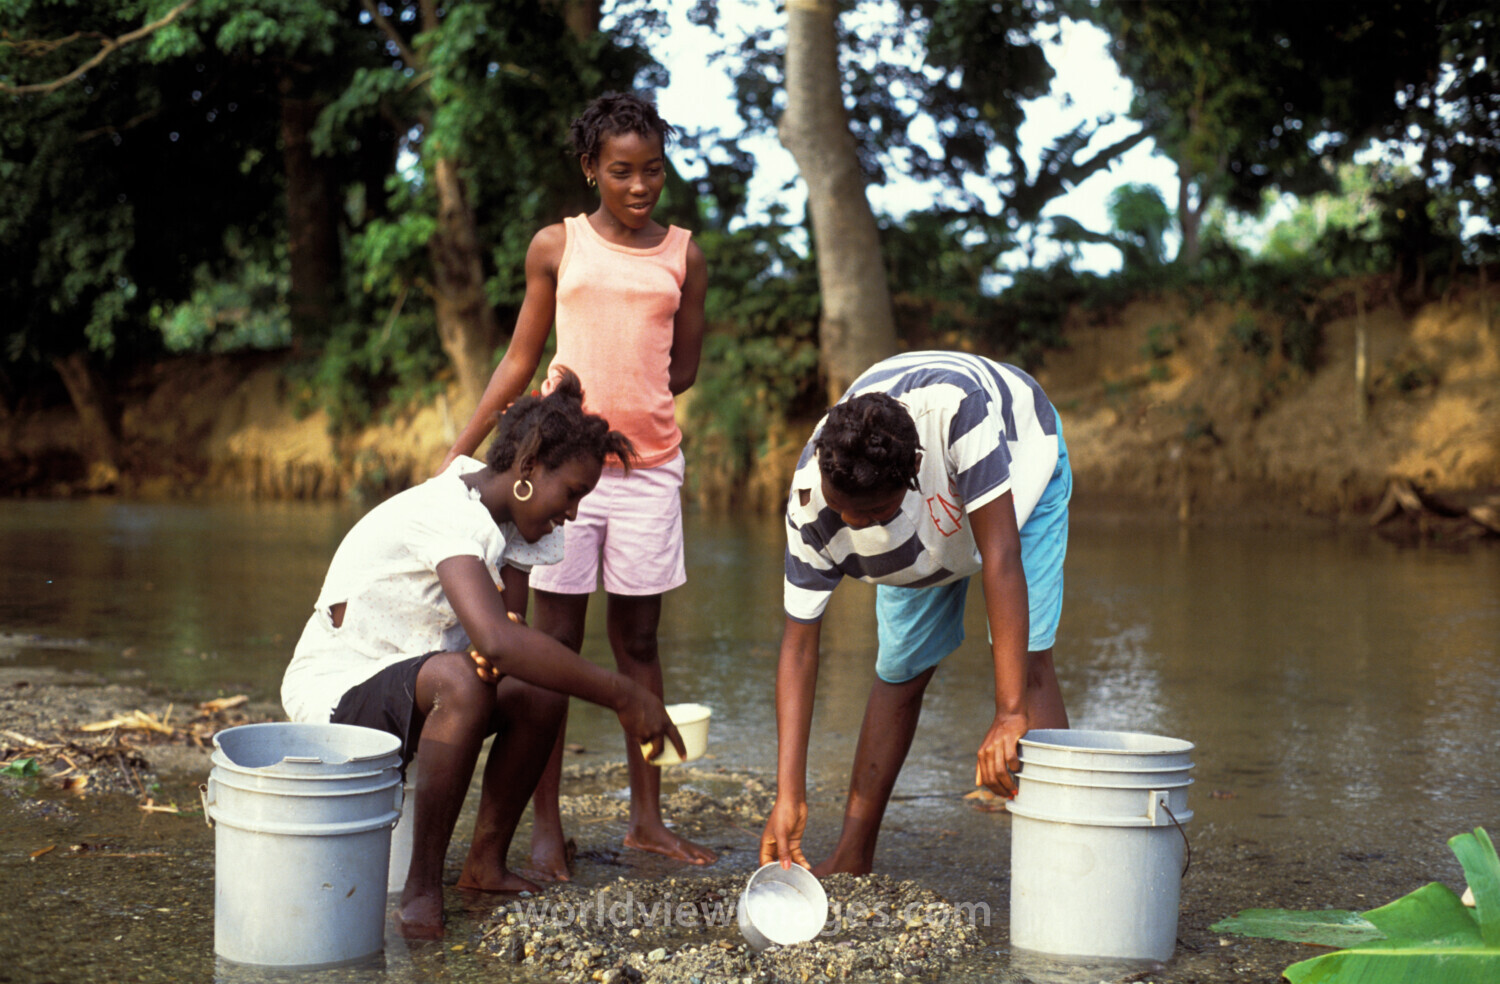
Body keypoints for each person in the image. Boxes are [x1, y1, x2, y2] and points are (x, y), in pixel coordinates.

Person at [282, 369, 686, 939]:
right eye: (572, 493)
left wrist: (503, 647)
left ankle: (484, 866)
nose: (573, 513)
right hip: (338, 692)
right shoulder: (448, 510)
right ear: (528, 469)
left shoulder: (516, 522)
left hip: (415, 680)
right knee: (463, 683)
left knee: (540, 686)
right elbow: (495, 642)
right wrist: (623, 693)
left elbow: (505, 639)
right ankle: (421, 890)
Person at [437, 91, 713, 877]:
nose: (640, 185)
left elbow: (681, 369)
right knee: (552, 643)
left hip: (648, 471)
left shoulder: (684, 256)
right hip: (561, 474)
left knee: (639, 642)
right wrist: (459, 453)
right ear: (590, 168)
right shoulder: (557, 246)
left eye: (653, 170)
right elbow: (520, 360)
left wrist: (631, 404)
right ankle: (545, 828)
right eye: (621, 171)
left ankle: (647, 821)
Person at [758, 350, 1073, 876]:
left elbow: (1000, 557)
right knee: (900, 667)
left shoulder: (960, 414)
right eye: (842, 508)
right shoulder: (811, 499)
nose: (852, 524)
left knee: (1029, 661)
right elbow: (798, 647)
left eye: (872, 512)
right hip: (922, 519)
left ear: (908, 483)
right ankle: (853, 855)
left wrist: (1008, 712)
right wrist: (788, 795)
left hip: (1019, 465)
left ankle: (1067, 866)